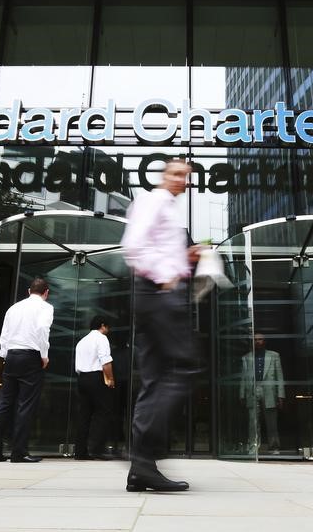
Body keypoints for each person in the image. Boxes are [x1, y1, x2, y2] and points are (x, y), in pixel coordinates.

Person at [120, 158, 202, 492]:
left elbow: (154, 248)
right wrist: (167, 279)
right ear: (165, 176)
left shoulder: (166, 208)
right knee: (183, 369)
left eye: (187, 176)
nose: (183, 180)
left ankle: (141, 469)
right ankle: (141, 456)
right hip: (158, 295)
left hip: (155, 296)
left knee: (155, 380)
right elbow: (133, 246)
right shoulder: (153, 201)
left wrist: (187, 258)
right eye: (178, 174)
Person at [0, 277, 54, 463]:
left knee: (4, 403)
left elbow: (4, 334)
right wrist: (44, 355)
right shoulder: (46, 308)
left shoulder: (14, 308)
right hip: (31, 356)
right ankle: (19, 452)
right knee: (26, 404)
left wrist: (5, 355)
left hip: (12, 356)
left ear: (28, 291)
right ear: (46, 293)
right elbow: (42, 330)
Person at [74, 316, 116, 460]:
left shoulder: (82, 341)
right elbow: (105, 361)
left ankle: (80, 451)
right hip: (96, 378)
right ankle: (97, 449)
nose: (108, 330)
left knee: (84, 415)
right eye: (107, 327)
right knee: (103, 413)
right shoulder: (101, 338)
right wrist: (110, 379)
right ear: (103, 326)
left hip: (82, 378)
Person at [241, 333, 285, 455]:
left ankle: (274, 447)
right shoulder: (247, 357)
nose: (258, 341)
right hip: (252, 389)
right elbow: (243, 378)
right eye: (255, 340)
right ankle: (253, 447)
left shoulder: (274, 355)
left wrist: (281, 395)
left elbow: (279, 376)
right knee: (253, 421)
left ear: (264, 341)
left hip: (270, 391)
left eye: (260, 339)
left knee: (271, 421)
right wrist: (242, 394)